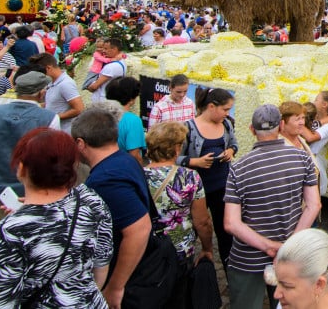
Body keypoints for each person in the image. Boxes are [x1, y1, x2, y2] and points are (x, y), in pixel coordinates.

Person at [0, 128, 113, 308]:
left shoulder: (10, 231)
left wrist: (25, 219)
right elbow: (101, 263)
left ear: (21, 168)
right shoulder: (91, 200)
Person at [224, 104, 321, 309]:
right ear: (281, 126)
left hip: (247, 258)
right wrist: (288, 245)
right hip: (290, 255)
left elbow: (231, 223)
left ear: (252, 129)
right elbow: (314, 205)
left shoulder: (238, 168)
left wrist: (268, 246)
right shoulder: (302, 158)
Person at [72, 108, 163, 308]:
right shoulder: (126, 159)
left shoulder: (106, 178)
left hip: (130, 275)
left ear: (80, 143)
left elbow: (138, 230)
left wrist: (115, 286)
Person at [0, 70, 58, 241]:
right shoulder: (49, 118)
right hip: (29, 192)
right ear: (42, 93)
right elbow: (51, 159)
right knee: (28, 240)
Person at [145, 121, 214, 308]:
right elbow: (202, 221)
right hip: (180, 249)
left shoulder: (138, 175)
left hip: (146, 249)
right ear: (176, 148)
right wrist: (207, 248)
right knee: (179, 297)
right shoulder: (189, 177)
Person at [178, 87, 238, 268]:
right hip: (197, 191)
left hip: (222, 187)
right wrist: (195, 162)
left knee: (225, 231)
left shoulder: (226, 125)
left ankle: (229, 265)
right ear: (211, 106)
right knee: (194, 228)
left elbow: (234, 143)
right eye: (225, 110)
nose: (227, 114)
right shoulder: (187, 128)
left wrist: (230, 151)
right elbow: (174, 158)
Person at [272, 228, 328, 309]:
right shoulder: (286, 304)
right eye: (278, 282)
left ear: (319, 284)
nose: (276, 295)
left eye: (287, 286)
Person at [300, 91, 328, 196]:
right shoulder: (315, 120)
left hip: (310, 161)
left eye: (316, 99)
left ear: (324, 105)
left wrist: (297, 124)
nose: (314, 101)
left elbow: (311, 137)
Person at [33, 52, 84, 134]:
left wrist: (54, 117)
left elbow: (79, 109)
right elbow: (55, 103)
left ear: (48, 68)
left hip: (65, 132)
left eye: (40, 73)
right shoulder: (51, 82)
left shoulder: (65, 84)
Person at [87, 38, 126, 103]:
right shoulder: (121, 61)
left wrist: (89, 87)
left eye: (106, 49)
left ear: (114, 49)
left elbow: (95, 86)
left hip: (104, 103)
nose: (103, 51)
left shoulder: (111, 67)